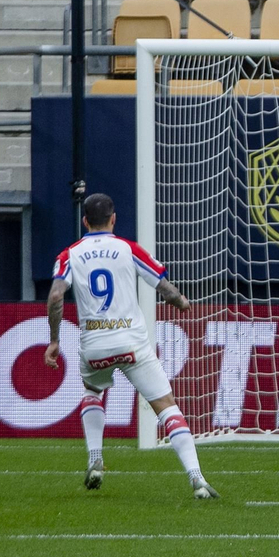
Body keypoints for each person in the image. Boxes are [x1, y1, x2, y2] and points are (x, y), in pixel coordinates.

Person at [44, 193, 217, 499]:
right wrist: (181, 301)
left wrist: (55, 340)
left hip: (95, 346)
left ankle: (95, 459)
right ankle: (196, 478)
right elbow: (164, 288)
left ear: (84, 221)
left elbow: (56, 296)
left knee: (93, 391)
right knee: (166, 407)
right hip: (131, 344)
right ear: (113, 219)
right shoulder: (128, 249)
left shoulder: (69, 254)